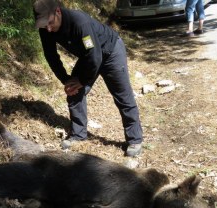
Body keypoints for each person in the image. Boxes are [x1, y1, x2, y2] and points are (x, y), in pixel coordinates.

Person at [33, 0, 143, 156]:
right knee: (73, 91)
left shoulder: (79, 22)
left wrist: (82, 81)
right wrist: (66, 79)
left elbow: (95, 57)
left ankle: (135, 140)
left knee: (122, 95)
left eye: (50, 23)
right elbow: (51, 56)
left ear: (58, 11)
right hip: (89, 56)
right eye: (44, 25)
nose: (48, 29)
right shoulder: (45, 28)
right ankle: (78, 135)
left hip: (111, 51)